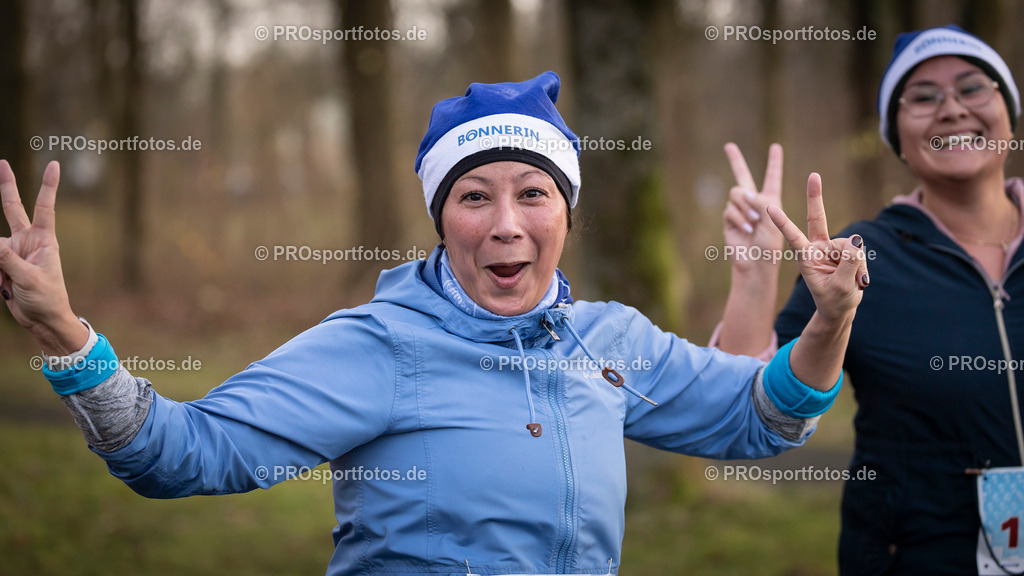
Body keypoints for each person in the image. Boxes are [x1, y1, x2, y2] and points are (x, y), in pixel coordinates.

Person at [1, 71, 865, 576]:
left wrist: (827, 321)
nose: (505, 225)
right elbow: (180, 455)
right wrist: (68, 338)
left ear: (566, 213)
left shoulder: (610, 340)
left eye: (533, 194)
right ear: (440, 215)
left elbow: (764, 419)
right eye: (473, 197)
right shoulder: (378, 345)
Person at [716, 25, 1023, 576]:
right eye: (923, 98)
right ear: (896, 138)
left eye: (973, 87)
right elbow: (746, 413)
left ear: (1009, 111)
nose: (951, 109)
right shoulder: (859, 257)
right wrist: (756, 275)